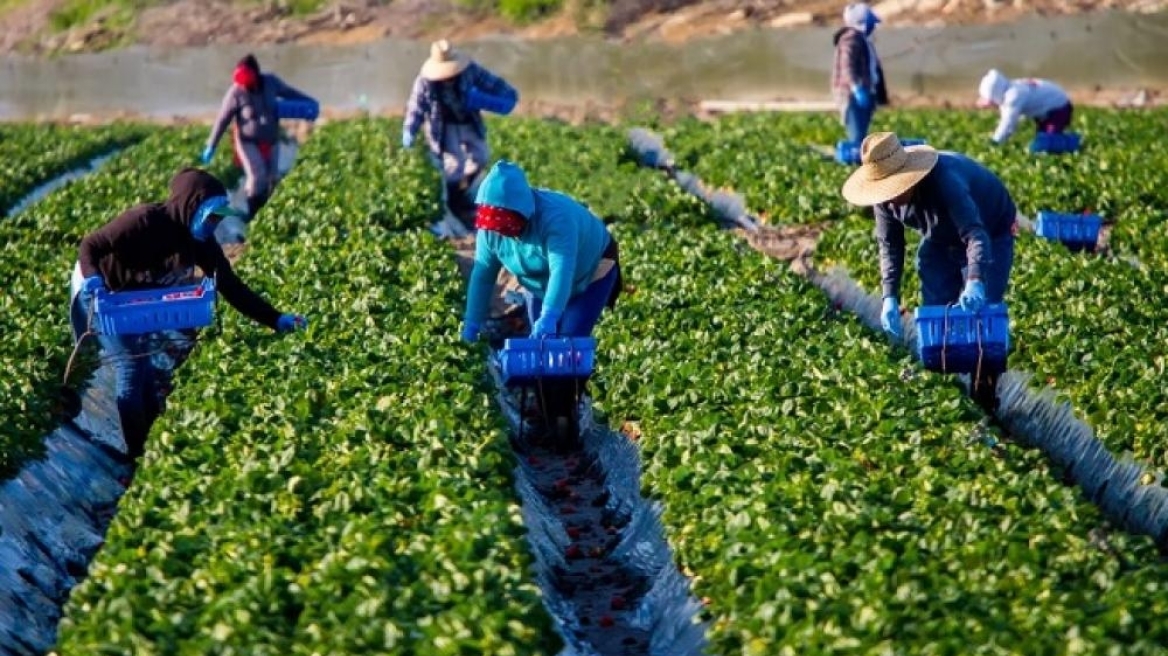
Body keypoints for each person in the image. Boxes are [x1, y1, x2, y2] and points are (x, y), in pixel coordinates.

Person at [69, 168, 308, 460]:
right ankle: (136, 456)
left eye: (219, 217)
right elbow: (90, 245)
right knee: (130, 370)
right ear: (191, 206)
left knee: (143, 370)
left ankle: (148, 450)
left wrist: (276, 318)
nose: (216, 223)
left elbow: (230, 286)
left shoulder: (200, 243)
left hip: (138, 299)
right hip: (102, 294)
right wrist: (94, 280)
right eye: (212, 216)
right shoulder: (144, 221)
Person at [841, 133, 1017, 406]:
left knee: (983, 314)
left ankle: (985, 394)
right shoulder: (884, 200)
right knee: (938, 309)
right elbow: (890, 245)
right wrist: (889, 296)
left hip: (989, 229)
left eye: (894, 188)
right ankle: (946, 392)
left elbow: (975, 235)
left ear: (909, 177)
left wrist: (974, 280)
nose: (890, 197)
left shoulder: (946, 181)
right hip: (939, 236)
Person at [461, 160, 620, 438]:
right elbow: (483, 276)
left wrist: (549, 317)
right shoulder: (491, 233)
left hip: (591, 272)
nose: (501, 231)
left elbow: (563, 270)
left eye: (506, 223)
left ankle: (565, 416)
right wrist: (472, 324)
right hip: (538, 285)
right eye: (495, 225)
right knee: (540, 353)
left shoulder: (555, 218)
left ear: (522, 212)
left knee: (565, 342)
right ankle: (547, 414)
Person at [402, 39, 519, 226]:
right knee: (454, 165)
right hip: (443, 127)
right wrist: (409, 130)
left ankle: (465, 192)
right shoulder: (425, 82)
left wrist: (502, 96)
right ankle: (454, 200)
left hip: (468, 122)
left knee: (481, 156)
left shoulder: (469, 71)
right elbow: (415, 108)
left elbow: (495, 85)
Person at [202, 54, 318, 219]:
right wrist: (211, 145)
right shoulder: (236, 93)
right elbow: (222, 119)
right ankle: (252, 214)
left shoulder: (271, 82)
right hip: (248, 142)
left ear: (256, 74)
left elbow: (289, 92)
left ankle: (267, 214)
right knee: (257, 177)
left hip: (271, 140)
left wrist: (309, 101)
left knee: (273, 178)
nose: (246, 86)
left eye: (249, 80)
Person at [832, 3, 888, 144]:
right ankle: (855, 161)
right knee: (857, 136)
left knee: (862, 133)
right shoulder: (851, 39)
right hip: (852, 95)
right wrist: (857, 88)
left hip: (864, 92)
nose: (873, 26)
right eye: (871, 23)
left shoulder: (862, 40)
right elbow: (846, 66)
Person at [978, 69, 1073, 145]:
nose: (991, 105)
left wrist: (995, 141)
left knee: (1045, 144)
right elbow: (1008, 114)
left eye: (991, 101)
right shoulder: (1010, 88)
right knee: (1042, 138)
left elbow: (1008, 122)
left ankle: (1075, 143)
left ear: (996, 94)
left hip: (1059, 110)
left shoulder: (1014, 96)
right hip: (1046, 111)